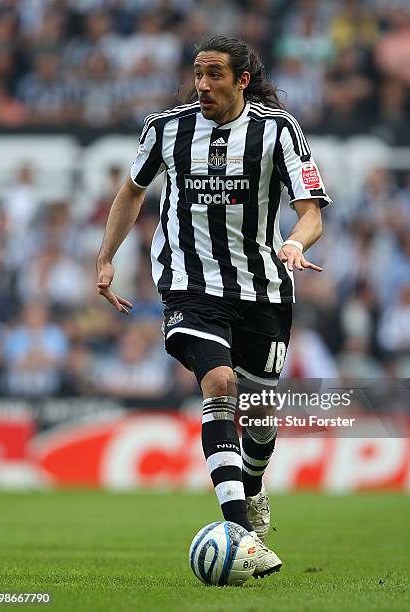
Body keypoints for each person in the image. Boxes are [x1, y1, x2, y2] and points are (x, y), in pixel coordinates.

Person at [96, 35, 331, 578]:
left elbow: (311, 211)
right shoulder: (165, 129)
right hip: (188, 284)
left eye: (215, 75)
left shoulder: (278, 130)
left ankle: (253, 485)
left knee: (262, 417)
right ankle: (239, 530)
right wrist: (106, 257)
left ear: (242, 79)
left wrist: (296, 242)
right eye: (198, 73)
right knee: (219, 383)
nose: (202, 85)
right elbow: (131, 190)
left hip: (264, 288)